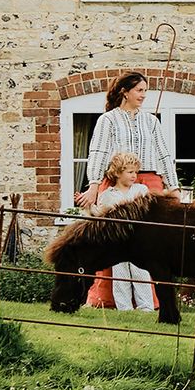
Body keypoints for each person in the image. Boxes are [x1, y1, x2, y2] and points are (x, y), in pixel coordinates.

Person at [81, 73, 175, 313]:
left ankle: (151, 302)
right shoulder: (108, 120)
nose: (143, 95)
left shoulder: (152, 122)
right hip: (116, 181)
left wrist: (172, 187)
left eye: (146, 91)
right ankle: (110, 300)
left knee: (152, 244)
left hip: (148, 183)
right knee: (113, 242)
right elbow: (98, 152)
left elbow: (164, 155)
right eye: (139, 90)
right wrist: (93, 185)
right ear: (124, 91)